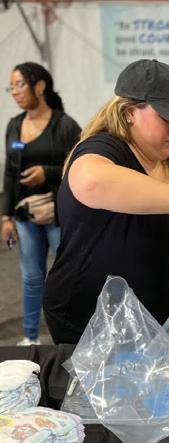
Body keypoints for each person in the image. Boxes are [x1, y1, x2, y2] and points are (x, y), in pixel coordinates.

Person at [42, 59, 169, 345]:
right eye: (166, 117)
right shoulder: (105, 148)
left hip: (161, 323)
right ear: (129, 112)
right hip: (95, 324)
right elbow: (90, 180)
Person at [1, 62, 81, 346]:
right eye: (11, 87)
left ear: (40, 86)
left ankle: (73, 337)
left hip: (59, 216)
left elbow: (81, 166)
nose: (15, 92)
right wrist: (5, 217)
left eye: (20, 84)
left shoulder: (65, 125)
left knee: (69, 277)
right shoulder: (14, 125)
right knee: (32, 278)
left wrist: (47, 173)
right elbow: (9, 174)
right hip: (26, 216)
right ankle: (31, 338)